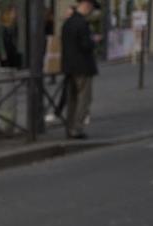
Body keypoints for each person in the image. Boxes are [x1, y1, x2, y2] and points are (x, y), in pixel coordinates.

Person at [61, 0, 99, 139]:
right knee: (84, 98)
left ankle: (69, 127)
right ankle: (77, 129)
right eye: (91, 8)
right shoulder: (82, 24)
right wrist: (94, 41)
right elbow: (86, 45)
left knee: (72, 99)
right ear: (87, 5)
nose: (91, 11)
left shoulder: (68, 23)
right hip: (83, 66)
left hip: (69, 66)